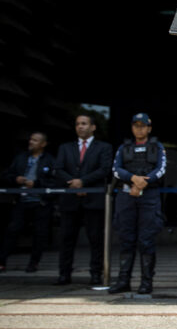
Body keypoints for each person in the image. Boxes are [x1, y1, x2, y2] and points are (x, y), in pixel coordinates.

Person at [108, 113, 167, 294]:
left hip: (149, 196)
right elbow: (115, 169)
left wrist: (143, 182)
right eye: (136, 125)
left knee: (146, 240)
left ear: (149, 128)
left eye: (143, 126)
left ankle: (146, 282)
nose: (139, 129)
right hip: (127, 196)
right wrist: (132, 178)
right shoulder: (124, 147)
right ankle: (123, 280)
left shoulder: (157, 147)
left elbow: (161, 169)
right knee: (126, 239)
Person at [53, 114, 113, 286]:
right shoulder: (65, 147)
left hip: (93, 199)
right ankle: (64, 274)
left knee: (95, 239)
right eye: (78, 123)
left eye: (84, 123)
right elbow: (58, 169)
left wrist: (83, 182)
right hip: (70, 200)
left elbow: (104, 169)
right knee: (66, 238)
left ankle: (96, 274)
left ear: (93, 127)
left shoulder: (104, 147)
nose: (80, 126)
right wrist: (73, 183)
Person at [0, 132, 56, 273]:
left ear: (43, 144)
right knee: (12, 230)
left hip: (40, 202)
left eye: (35, 140)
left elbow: (56, 181)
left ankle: (34, 263)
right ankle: (2, 261)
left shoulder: (50, 160)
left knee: (40, 233)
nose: (31, 142)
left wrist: (37, 183)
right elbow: (6, 175)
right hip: (21, 200)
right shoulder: (21, 158)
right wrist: (15, 179)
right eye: (30, 139)